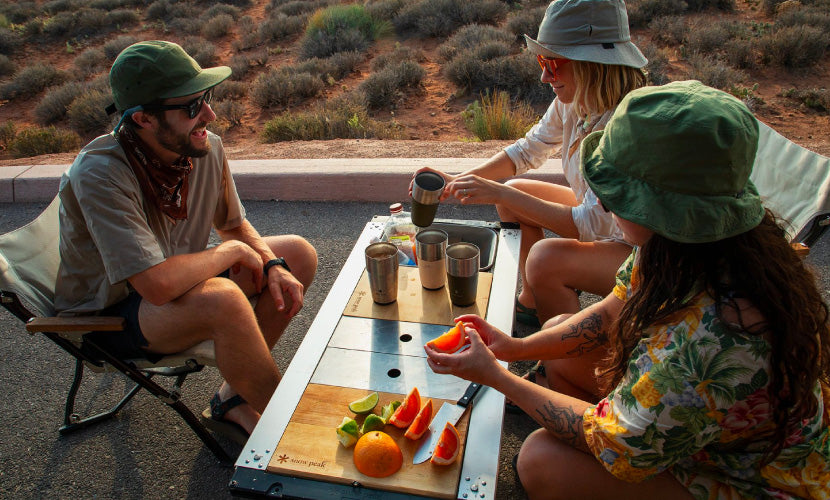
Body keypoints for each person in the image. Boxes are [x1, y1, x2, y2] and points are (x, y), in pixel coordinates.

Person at [425, 81, 830, 499]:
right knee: (561, 343)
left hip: (752, 484)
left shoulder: (711, 343)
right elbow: (610, 312)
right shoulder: (685, 242)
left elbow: (616, 443)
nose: (604, 202)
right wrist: (512, 349)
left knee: (540, 460)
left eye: (618, 193)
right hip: (705, 430)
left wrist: (497, 378)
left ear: (658, 210)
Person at [54, 41, 318, 444]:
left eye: (206, 98)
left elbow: (234, 225)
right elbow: (155, 285)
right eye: (192, 106)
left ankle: (234, 398)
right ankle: (295, 434)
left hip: (174, 279)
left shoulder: (203, 147)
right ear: (143, 118)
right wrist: (229, 252)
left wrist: (271, 263)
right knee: (223, 298)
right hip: (112, 312)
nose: (209, 115)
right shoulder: (101, 173)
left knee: (294, 255)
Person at [412, 0, 647, 328]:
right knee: (516, 190)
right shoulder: (576, 101)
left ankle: (560, 362)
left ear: (592, 63)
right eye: (542, 61)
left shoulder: (625, 126)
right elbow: (526, 152)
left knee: (544, 259)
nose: (543, 75)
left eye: (553, 63)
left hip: (643, 254)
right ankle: (535, 304)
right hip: (611, 229)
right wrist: (457, 179)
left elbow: (592, 225)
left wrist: (499, 195)